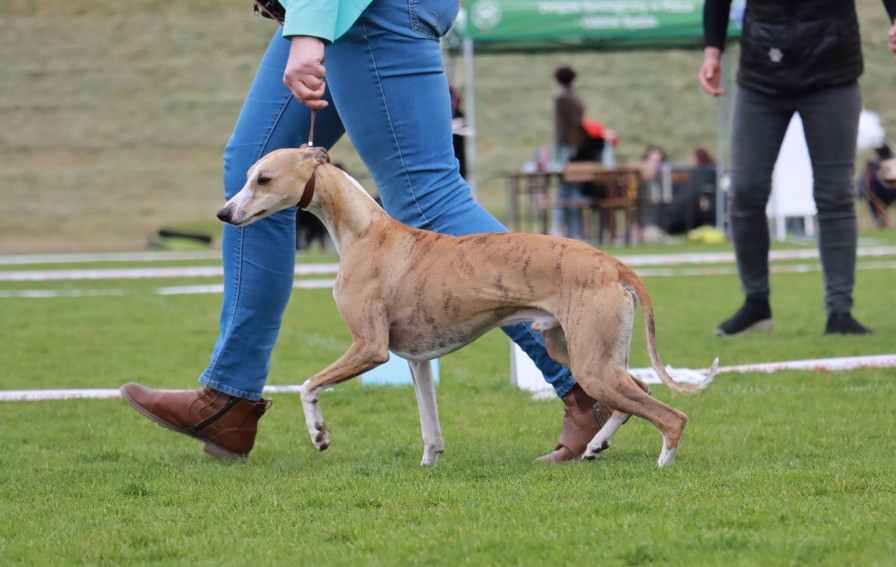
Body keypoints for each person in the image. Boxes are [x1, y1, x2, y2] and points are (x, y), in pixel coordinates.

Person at [119, 0, 606, 464]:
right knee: (253, 174)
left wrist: (310, 27)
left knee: (425, 199)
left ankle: (586, 385)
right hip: (329, 13)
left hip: (365, 11)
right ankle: (228, 399)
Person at [698, 0, 896, 336]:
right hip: (761, 76)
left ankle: (840, 313)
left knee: (835, 194)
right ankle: (756, 304)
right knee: (744, 190)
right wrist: (712, 52)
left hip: (833, 75)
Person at [551, 65, 588, 239]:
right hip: (574, 147)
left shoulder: (562, 99)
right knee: (571, 189)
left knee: (567, 189)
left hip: (566, 148)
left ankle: (561, 228)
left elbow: (572, 125)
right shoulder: (576, 97)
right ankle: (574, 231)